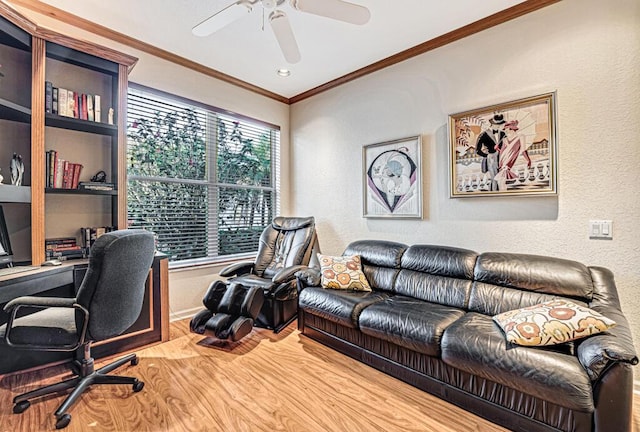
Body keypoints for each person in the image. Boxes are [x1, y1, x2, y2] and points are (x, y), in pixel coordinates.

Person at [495, 120, 532, 190]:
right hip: (502, 161)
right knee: (502, 182)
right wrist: (498, 148)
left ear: (511, 129)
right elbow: (502, 152)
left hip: (509, 162)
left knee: (504, 181)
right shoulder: (504, 139)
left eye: (506, 129)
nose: (505, 131)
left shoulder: (521, 137)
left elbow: (523, 150)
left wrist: (528, 160)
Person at [475, 114, 506, 191]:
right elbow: (477, 150)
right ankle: (494, 193)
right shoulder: (484, 135)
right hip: (491, 159)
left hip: (501, 158)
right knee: (494, 178)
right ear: (492, 124)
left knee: (500, 178)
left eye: (500, 125)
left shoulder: (503, 134)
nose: (499, 126)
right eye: (497, 125)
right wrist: (487, 155)